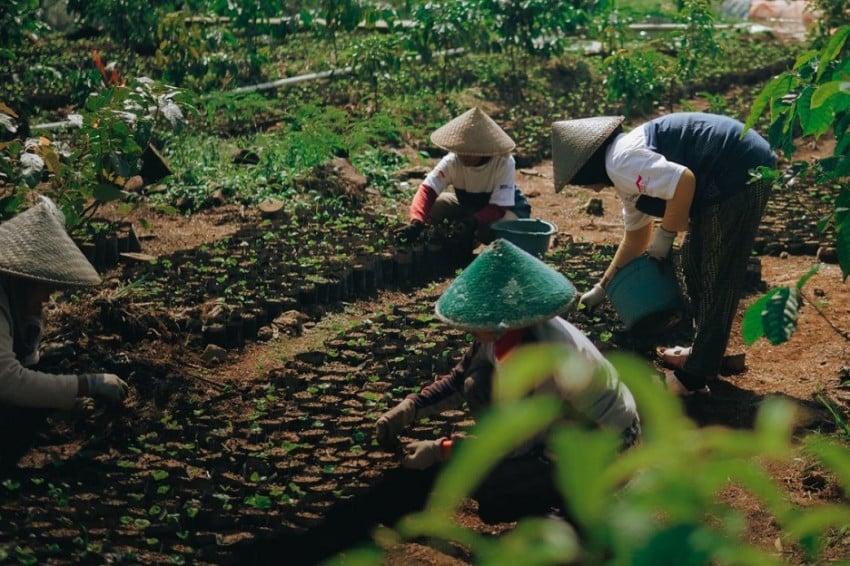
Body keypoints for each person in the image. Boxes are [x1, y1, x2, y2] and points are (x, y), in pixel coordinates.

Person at [240, 239, 640, 566]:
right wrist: (409, 408)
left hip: (606, 445)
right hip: (561, 429)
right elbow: (457, 377)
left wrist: (441, 450)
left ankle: (575, 517)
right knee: (475, 383)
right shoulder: (506, 333)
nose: (471, 326)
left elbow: (514, 447)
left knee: (500, 485)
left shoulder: (545, 358)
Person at [551, 112, 777, 395]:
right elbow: (635, 238)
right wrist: (602, 287)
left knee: (717, 275)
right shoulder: (625, 172)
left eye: (579, 180)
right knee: (695, 268)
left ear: (587, 166)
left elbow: (683, 180)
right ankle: (702, 353)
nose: (588, 188)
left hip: (739, 168)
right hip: (727, 171)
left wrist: (666, 235)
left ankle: (694, 377)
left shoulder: (621, 162)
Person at [0, 196, 129, 468]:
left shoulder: (13, 300)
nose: (48, 296)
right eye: (44, 286)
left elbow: (27, 361)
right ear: (25, 279)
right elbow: (8, 381)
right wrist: (86, 385)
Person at [395, 107, 532, 246]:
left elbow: (499, 207)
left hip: (506, 210)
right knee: (436, 206)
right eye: (461, 149)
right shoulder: (452, 161)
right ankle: (461, 242)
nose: (464, 155)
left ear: (483, 149)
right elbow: (427, 190)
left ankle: (488, 246)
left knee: (501, 228)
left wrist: (473, 222)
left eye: (470, 151)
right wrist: (416, 221)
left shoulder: (503, 162)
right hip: (470, 208)